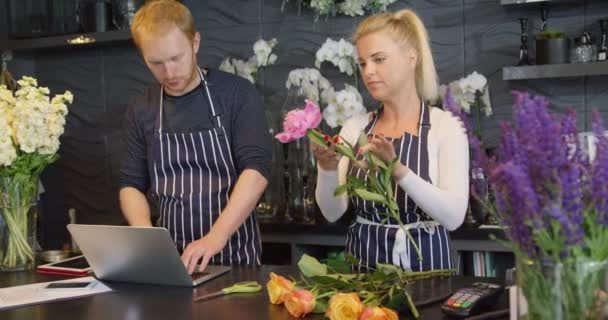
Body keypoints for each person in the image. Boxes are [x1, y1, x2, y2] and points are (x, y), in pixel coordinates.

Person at [119, 0, 271, 274]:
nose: (169, 73)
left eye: (177, 58)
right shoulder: (141, 109)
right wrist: (146, 237)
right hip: (170, 263)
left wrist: (215, 237)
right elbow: (131, 184)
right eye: (156, 63)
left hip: (234, 257)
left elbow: (256, 170)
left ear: (195, 42)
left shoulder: (236, 94)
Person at [312, 9, 469, 272]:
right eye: (362, 63)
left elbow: (453, 218)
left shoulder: (445, 127)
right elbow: (332, 212)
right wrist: (326, 170)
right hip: (364, 274)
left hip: (428, 274)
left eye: (379, 59)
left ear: (411, 58)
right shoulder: (355, 127)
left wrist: (398, 171)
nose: (369, 71)